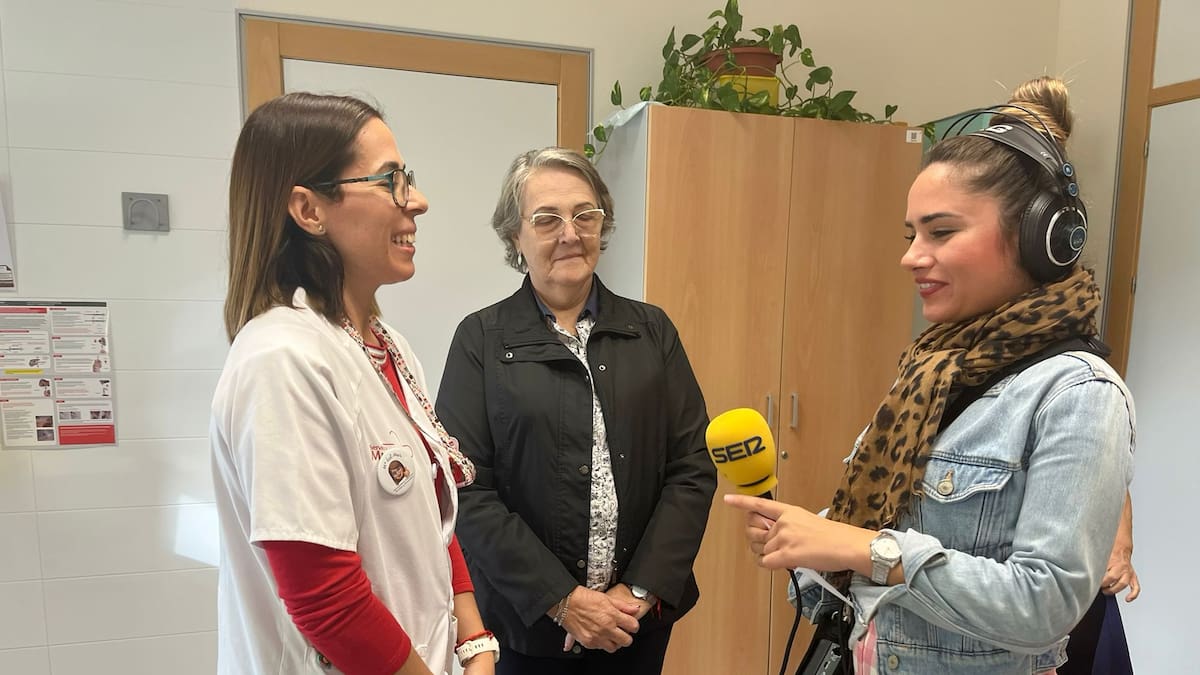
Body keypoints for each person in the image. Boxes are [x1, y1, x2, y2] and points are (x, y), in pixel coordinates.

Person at [725, 76, 1135, 673]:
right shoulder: (931, 369)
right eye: (911, 234)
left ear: (1039, 239)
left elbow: (1046, 605)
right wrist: (809, 547)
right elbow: (876, 557)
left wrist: (866, 549)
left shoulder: (1079, 393)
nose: (912, 255)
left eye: (941, 232)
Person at [210, 92, 496, 675]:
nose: (417, 201)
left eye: (407, 178)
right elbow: (326, 602)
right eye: (391, 180)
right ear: (309, 210)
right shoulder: (283, 359)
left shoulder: (388, 347)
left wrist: (476, 645)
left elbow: (432, 517)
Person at [435, 147, 716, 674]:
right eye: (547, 219)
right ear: (514, 237)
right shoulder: (480, 340)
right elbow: (464, 487)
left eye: (585, 215)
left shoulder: (652, 331)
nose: (571, 232)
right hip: (529, 628)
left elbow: (691, 467)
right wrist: (563, 600)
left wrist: (639, 590)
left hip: (637, 624)